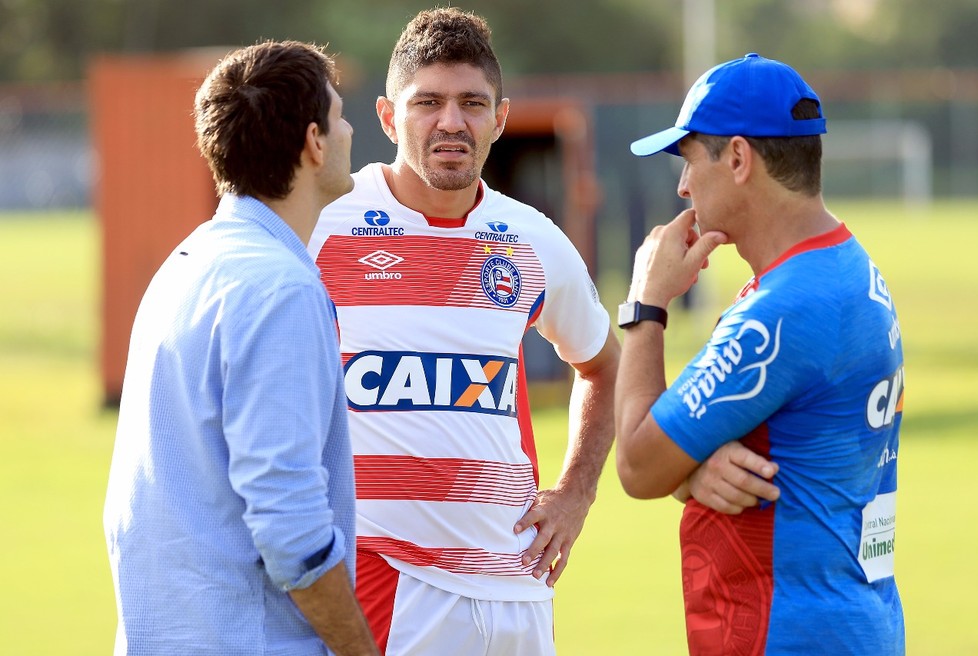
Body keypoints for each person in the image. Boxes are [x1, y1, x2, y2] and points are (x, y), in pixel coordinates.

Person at [307, 8, 620, 655]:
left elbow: (605, 365)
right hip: (386, 581)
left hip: (517, 585)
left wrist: (575, 494)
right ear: (389, 117)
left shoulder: (532, 239)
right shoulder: (325, 226)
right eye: (428, 102)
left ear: (499, 118)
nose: (452, 121)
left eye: (472, 103)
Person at [614, 53, 905, 655]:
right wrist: (690, 468)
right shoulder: (844, 265)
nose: (683, 186)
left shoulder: (783, 310)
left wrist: (646, 304)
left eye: (690, 159)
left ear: (739, 159)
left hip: (790, 632)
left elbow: (639, 464)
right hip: (851, 619)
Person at [103, 40, 378, 655]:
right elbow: (292, 529)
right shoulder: (280, 289)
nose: (350, 128)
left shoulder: (188, 263)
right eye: (339, 115)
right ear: (314, 142)